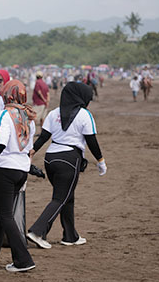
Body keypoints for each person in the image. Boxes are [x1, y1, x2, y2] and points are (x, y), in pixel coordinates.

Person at [26, 82, 107, 249]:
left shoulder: (54, 113)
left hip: (50, 159)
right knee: (60, 198)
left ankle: (70, 236)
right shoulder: (85, 115)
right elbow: (91, 141)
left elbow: (43, 137)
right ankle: (37, 231)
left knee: (67, 197)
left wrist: (32, 151)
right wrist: (100, 161)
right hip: (69, 159)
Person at [0, 80, 37, 272]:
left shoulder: (6, 115)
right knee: (3, 214)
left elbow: (0, 143)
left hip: (5, 169)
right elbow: (30, 148)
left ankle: (23, 259)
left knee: (5, 215)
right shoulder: (28, 116)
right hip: (21, 169)